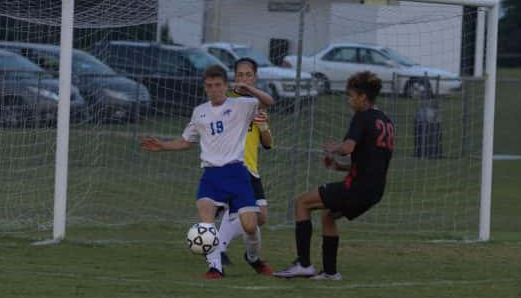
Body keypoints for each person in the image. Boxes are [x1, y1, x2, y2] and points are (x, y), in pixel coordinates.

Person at [140, 64, 274, 279]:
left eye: (218, 85)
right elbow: (186, 141)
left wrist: (250, 90)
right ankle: (215, 268)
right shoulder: (200, 112)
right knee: (206, 221)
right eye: (209, 86)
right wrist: (163, 145)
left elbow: (269, 102)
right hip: (211, 176)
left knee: (250, 226)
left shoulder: (242, 105)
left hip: (237, 173)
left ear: (225, 85)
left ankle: (253, 258)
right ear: (205, 87)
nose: (214, 90)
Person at [273, 71, 394, 280]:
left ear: (362, 97)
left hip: (356, 188)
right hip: (374, 191)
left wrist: (334, 147)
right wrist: (338, 167)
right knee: (328, 214)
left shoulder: (362, 117)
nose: (349, 100)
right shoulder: (386, 122)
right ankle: (330, 272)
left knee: (301, 203)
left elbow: (348, 148)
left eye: (351, 95)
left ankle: (303, 264)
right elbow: (372, 162)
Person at [205, 57, 274, 276]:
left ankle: (248, 256)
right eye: (240, 75)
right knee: (236, 212)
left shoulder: (257, 103)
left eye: (248, 75)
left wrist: (263, 128)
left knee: (259, 218)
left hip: (251, 168)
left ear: (256, 77)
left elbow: (268, 143)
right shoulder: (228, 99)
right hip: (231, 166)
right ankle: (217, 258)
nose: (244, 79)